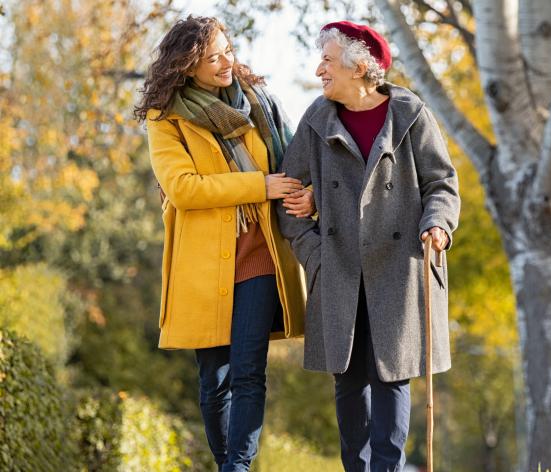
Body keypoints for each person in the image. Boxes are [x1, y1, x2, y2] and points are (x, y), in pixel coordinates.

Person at [277, 21, 461, 472]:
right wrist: (315, 256)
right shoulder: (316, 120)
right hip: (339, 270)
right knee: (348, 383)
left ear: (359, 67)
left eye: (327, 60)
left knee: (391, 378)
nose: (318, 70)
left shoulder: (410, 114)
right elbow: (286, 196)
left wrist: (437, 224)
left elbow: (441, 183)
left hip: (399, 269)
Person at [134, 15, 312, 471]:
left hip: (261, 253)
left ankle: (238, 466)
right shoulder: (166, 119)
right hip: (203, 264)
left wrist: (306, 193)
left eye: (228, 51)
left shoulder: (257, 102)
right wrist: (259, 186)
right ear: (187, 65)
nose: (226, 62)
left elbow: (294, 161)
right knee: (214, 381)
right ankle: (226, 464)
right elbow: (183, 188)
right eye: (213, 57)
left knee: (249, 371)